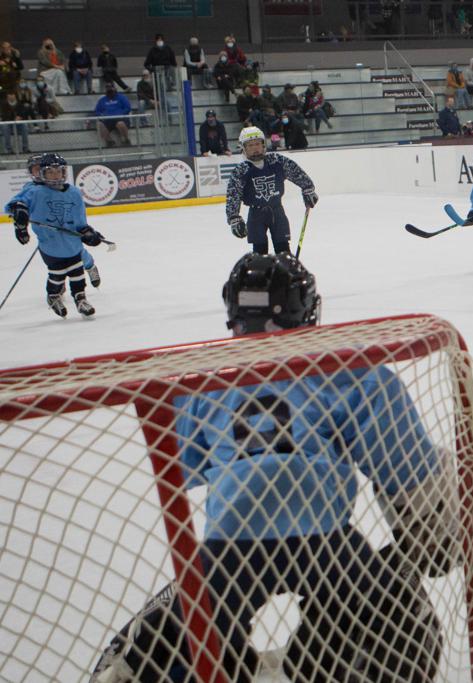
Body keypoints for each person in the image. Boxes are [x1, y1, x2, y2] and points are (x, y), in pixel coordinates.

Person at [89, 252, 448, 683]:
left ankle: (156, 658)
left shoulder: (199, 382)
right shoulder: (348, 371)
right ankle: (324, 664)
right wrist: (430, 533)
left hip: (229, 545)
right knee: (394, 614)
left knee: (193, 630)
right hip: (326, 542)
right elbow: (405, 466)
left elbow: (184, 470)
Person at [5, 153, 104, 318]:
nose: (55, 175)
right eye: (50, 172)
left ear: (64, 172)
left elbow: (80, 221)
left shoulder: (73, 192)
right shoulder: (36, 191)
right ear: (43, 174)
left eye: (58, 171)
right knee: (57, 274)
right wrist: (20, 219)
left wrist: (87, 233)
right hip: (50, 243)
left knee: (77, 272)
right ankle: (53, 296)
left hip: (71, 243)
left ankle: (81, 299)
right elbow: (17, 204)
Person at [226, 127, 318, 255]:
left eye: (258, 144)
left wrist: (308, 189)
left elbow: (296, 172)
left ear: (263, 144)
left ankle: (285, 274)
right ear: (243, 148)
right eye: (250, 145)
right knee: (259, 254)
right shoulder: (241, 171)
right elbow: (233, 194)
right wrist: (234, 218)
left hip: (277, 211)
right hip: (256, 215)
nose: (255, 148)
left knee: (283, 250)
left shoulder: (276, 161)